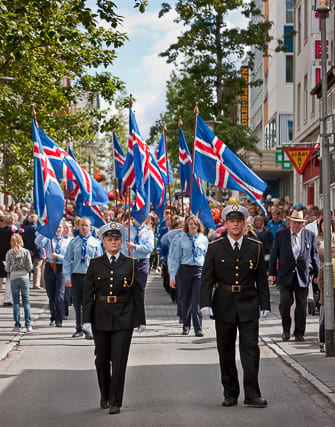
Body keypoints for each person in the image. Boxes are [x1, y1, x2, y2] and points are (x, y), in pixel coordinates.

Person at [201, 204, 270, 408]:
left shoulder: (255, 246)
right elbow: (206, 278)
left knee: (251, 351)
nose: (235, 225)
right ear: (226, 223)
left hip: (249, 302)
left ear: (244, 224)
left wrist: (265, 304)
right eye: (231, 221)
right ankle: (230, 393)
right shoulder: (215, 247)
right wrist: (205, 303)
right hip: (224, 303)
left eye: (239, 221)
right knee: (226, 351)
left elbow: (262, 279)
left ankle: (252, 394)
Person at [83, 222, 145, 414]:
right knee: (101, 360)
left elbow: (137, 294)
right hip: (100, 315)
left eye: (116, 239)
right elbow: (88, 294)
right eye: (109, 240)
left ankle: (116, 401)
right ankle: (106, 394)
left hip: (123, 317)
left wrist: (140, 319)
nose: (113, 243)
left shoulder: (130, 264)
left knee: (119, 361)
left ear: (122, 242)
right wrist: (86, 320)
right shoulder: (95, 264)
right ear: (104, 242)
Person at [269, 210, 320, 342]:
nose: (297, 225)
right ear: (289, 222)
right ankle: (286, 330)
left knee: (302, 305)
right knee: (285, 302)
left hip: (302, 275)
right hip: (285, 275)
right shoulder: (281, 234)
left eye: (300, 223)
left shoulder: (309, 235)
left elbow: (314, 255)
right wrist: (272, 273)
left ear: (303, 224)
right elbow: (274, 254)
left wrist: (317, 273)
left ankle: (299, 332)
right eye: (295, 222)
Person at [169, 215, 208, 337]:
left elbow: (207, 257)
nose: (193, 226)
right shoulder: (181, 238)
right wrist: (172, 275)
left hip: (199, 270)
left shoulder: (203, 239)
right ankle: (186, 325)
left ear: (198, 226)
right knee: (184, 299)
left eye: (195, 224)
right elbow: (175, 258)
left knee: (197, 300)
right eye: (190, 224)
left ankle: (198, 328)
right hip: (185, 270)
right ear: (187, 225)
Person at [63, 217, 102, 338]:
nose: (84, 228)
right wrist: (67, 277)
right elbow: (67, 260)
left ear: (90, 227)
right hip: (76, 275)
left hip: (90, 276)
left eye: (86, 225)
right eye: (82, 225)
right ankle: (79, 328)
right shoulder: (73, 242)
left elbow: (99, 261)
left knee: (88, 303)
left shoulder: (95, 243)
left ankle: (88, 328)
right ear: (78, 227)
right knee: (77, 303)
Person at [35, 223, 72, 327]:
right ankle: (53, 316)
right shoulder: (49, 240)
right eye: (56, 227)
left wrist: (58, 256)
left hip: (62, 268)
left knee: (59, 296)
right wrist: (45, 232)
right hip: (50, 267)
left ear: (63, 229)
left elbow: (69, 258)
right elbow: (37, 243)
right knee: (51, 295)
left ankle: (59, 318)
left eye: (59, 227)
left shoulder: (68, 241)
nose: (57, 229)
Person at [5, 233, 33, 332]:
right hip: (24, 277)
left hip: (13, 277)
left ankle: (17, 325)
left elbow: (7, 268)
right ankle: (28, 324)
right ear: (21, 241)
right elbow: (30, 266)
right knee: (26, 302)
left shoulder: (9, 253)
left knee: (16, 302)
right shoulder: (25, 252)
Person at [121, 216, 154, 292]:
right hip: (128, 262)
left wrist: (135, 246)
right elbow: (115, 238)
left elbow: (150, 248)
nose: (139, 220)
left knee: (140, 289)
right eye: (137, 216)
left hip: (142, 262)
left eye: (141, 217)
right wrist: (122, 226)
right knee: (126, 288)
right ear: (133, 218)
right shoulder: (127, 229)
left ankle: (139, 303)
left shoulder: (148, 231)